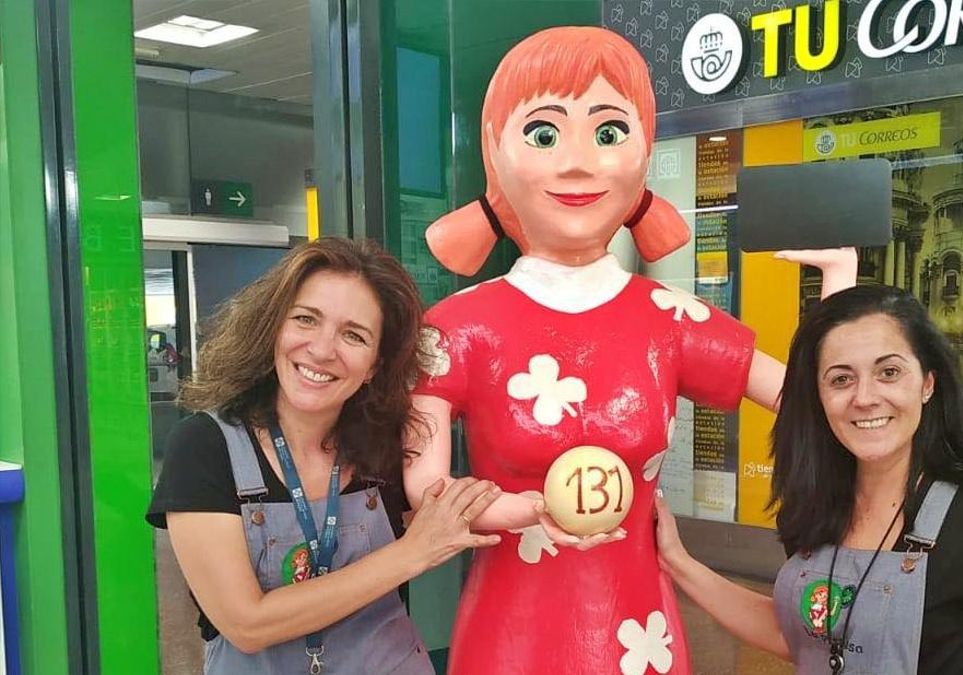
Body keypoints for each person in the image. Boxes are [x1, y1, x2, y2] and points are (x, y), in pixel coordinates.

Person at [404, 26, 858, 675]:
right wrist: (518, 509)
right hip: (510, 637)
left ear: (642, 154)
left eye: (609, 131)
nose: (578, 161)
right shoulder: (454, 328)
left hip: (638, 632)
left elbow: (812, 403)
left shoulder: (668, 318)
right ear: (495, 155)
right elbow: (425, 484)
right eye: (543, 133)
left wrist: (838, 285)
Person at [653, 284, 963, 674]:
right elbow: (805, 636)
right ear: (819, 397)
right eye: (841, 378)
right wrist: (678, 562)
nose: (865, 397)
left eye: (889, 372)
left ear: (927, 383)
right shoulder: (816, 502)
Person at [147, 238, 502, 674]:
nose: (321, 349)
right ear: (273, 328)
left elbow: (450, 513)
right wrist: (411, 554)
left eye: (353, 335)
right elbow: (246, 623)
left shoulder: (387, 445)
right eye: (305, 320)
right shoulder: (204, 446)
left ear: (375, 364)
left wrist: (551, 507)